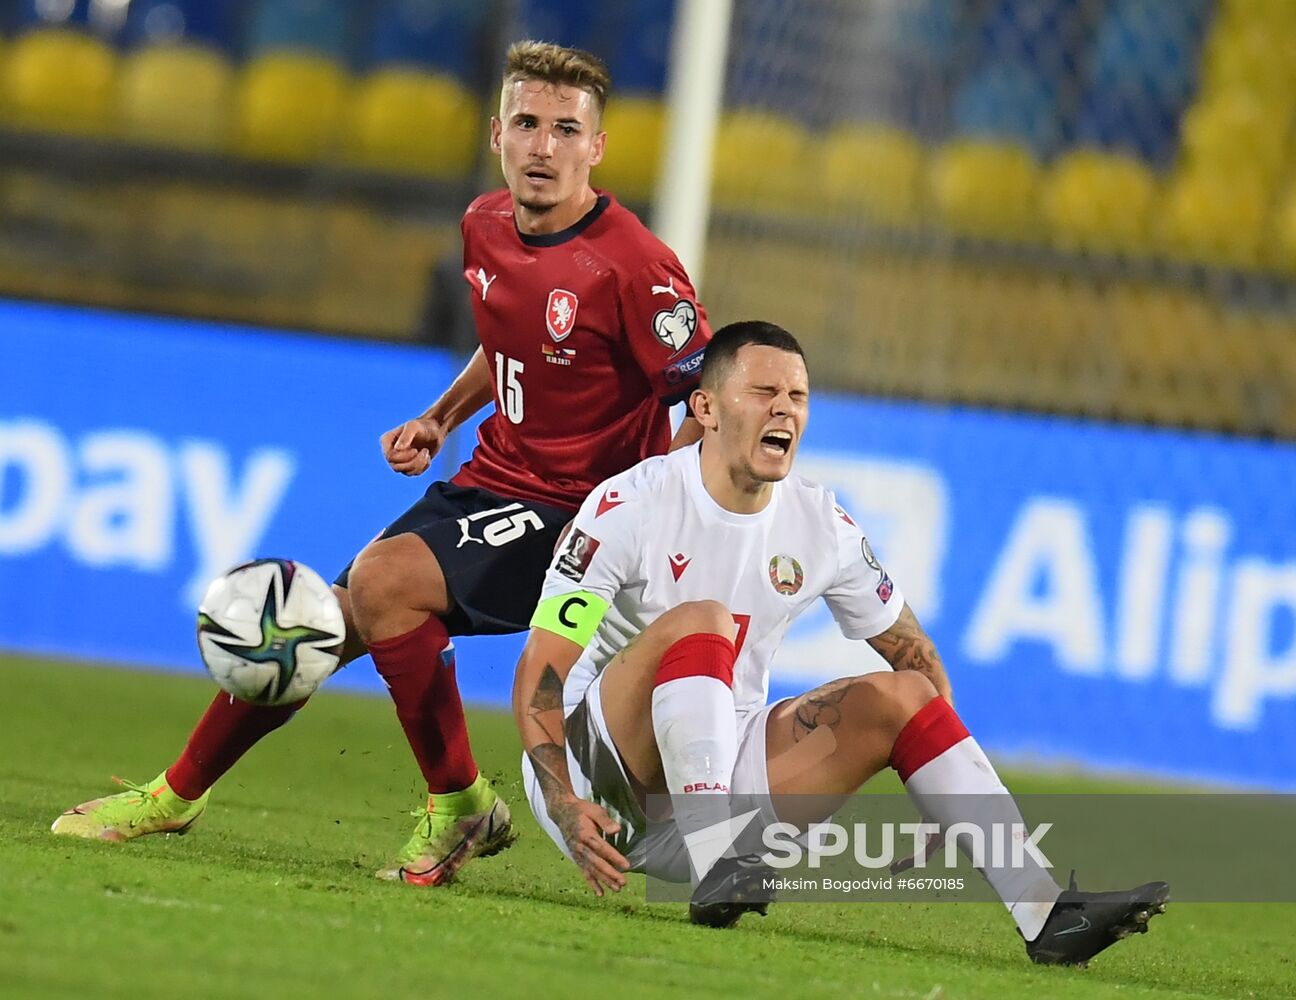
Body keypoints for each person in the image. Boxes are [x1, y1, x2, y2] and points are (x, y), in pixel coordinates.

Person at [53, 40, 713, 888]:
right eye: (526, 124)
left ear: (597, 147)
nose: (543, 146)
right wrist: (440, 418)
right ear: (496, 135)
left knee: (384, 582)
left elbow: (703, 395)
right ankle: (175, 794)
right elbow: (512, 338)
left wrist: (657, 509)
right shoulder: (483, 224)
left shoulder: (635, 265)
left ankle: (459, 805)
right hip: (492, 479)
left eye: (564, 129)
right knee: (317, 622)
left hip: (581, 514)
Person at [512, 320, 1168, 965]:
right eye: (763, 393)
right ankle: (719, 860)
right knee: (702, 620)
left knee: (904, 695)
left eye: (797, 397)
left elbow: (916, 656)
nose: (784, 411)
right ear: (706, 409)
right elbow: (542, 667)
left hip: (721, 793)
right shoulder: (631, 505)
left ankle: (1046, 913)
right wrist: (564, 802)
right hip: (594, 783)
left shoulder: (820, 523)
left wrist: (946, 792)